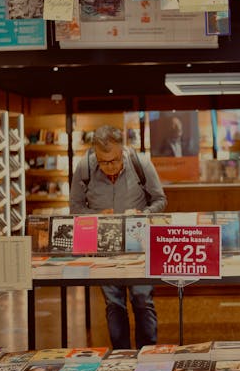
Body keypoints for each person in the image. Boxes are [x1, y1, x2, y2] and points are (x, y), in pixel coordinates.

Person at [69, 125, 167, 349]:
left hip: (140, 249)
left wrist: (143, 214)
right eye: (103, 162)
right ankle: (121, 355)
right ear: (95, 154)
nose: (109, 167)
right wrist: (96, 216)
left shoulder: (140, 164)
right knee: (114, 305)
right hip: (105, 250)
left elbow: (160, 200)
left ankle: (147, 352)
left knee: (143, 302)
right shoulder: (84, 168)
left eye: (114, 160)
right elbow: (75, 207)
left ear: (122, 150)